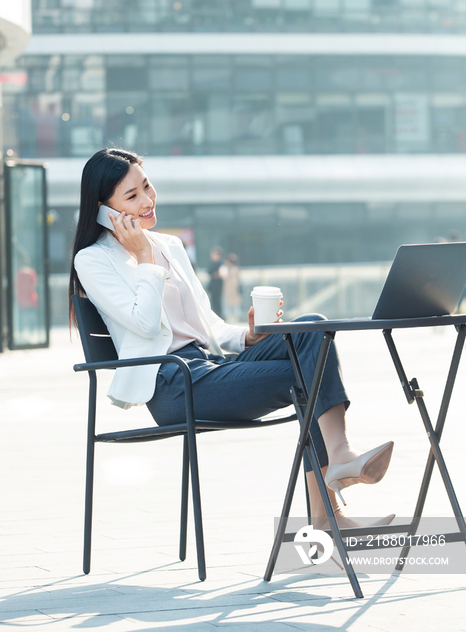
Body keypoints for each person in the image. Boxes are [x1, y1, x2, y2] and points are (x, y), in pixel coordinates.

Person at [69, 148, 394, 529]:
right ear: (103, 209)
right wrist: (143, 258)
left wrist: (248, 335)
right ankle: (328, 515)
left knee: (312, 328)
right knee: (310, 372)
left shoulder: (169, 246)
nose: (147, 200)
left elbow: (207, 323)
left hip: (211, 365)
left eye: (147, 186)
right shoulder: (93, 260)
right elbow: (142, 323)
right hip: (173, 384)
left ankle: (339, 458)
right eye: (132, 196)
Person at [207, 246, 227, 317]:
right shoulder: (214, 263)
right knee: (213, 302)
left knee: (217, 302)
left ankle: (219, 315)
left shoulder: (220, 263)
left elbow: (221, 274)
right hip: (213, 285)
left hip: (217, 285)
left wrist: (216, 274)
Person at [223, 253, 242, 323]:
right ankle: (229, 317)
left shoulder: (235, 269)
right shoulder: (226, 269)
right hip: (228, 289)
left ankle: (235, 317)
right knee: (228, 304)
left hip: (234, 289)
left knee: (235, 304)